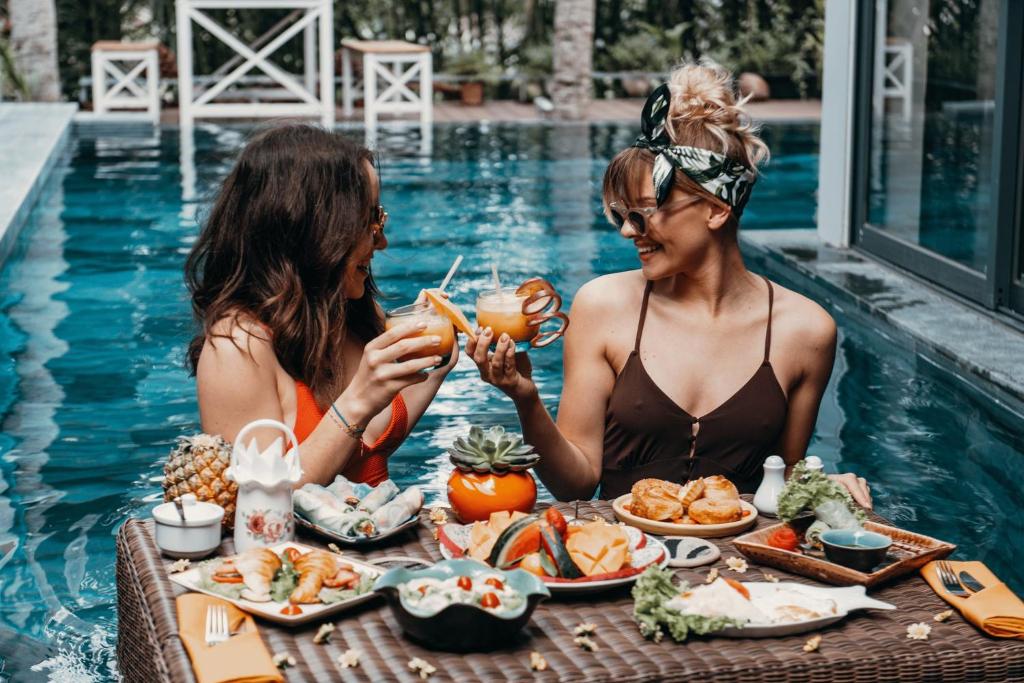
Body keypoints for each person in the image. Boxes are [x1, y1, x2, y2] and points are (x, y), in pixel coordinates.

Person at [467, 62, 871, 507]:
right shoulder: (603, 306)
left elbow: (785, 477)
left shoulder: (806, 331)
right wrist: (525, 398)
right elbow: (576, 484)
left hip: (739, 570)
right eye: (622, 214)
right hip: (621, 557)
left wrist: (825, 487)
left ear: (716, 209)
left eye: (644, 212)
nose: (627, 230)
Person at [186, 124, 456, 487]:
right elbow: (257, 506)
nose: (383, 242)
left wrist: (436, 363)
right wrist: (358, 401)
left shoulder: (350, 313)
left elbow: (367, 452)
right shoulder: (237, 347)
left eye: (381, 218)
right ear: (314, 231)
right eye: (368, 221)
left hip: (376, 540)